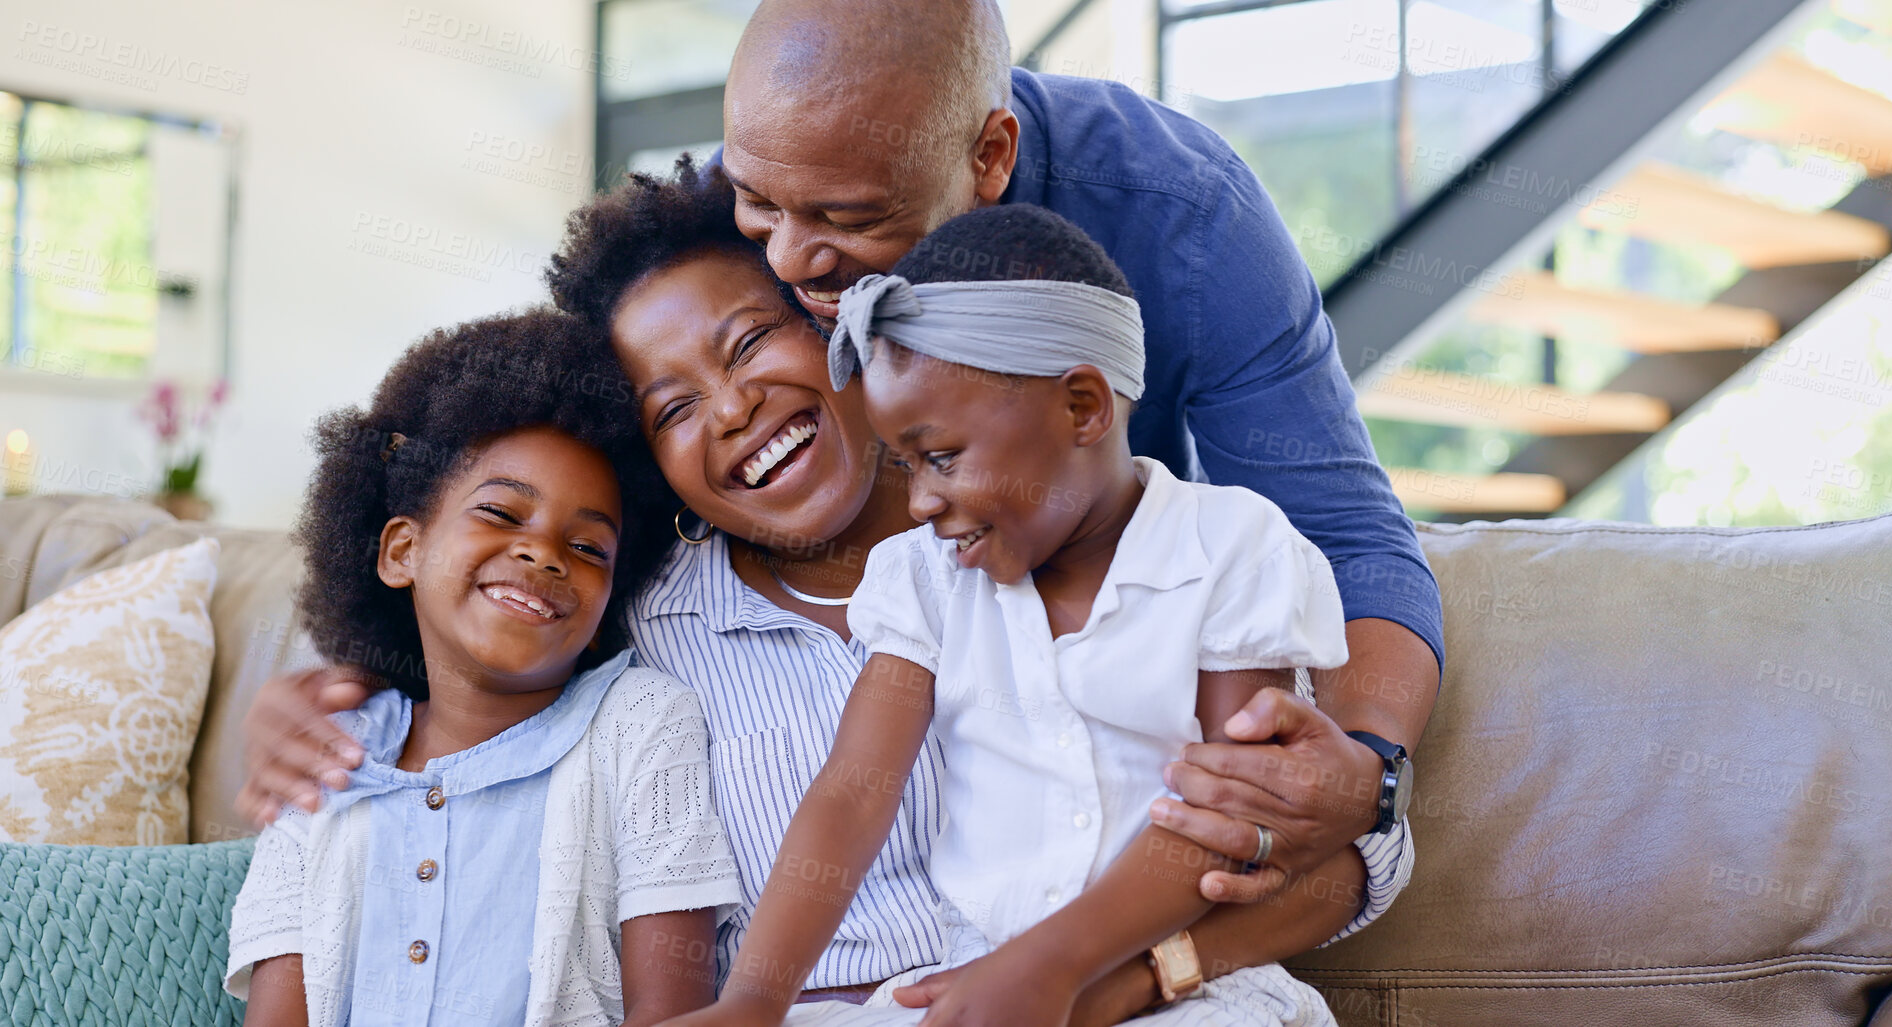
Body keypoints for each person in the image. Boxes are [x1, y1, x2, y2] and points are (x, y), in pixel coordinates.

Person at [237, 163, 1394, 1026]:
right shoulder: (641, 631)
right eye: (672, 409)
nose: (731, 409)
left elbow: (1339, 852)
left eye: (749, 344)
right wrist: (314, 695)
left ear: (844, 329)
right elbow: (472, 647)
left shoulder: (1181, 546)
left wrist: (1130, 974)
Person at [717, 0, 1441, 907]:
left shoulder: (1186, 219)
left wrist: (1366, 765)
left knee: (1346, 867)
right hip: (860, 702)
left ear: (990, 155)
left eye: (848, 216)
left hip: (1112, 732)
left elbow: (1344, 537)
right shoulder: (751, 185)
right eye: (755, 202)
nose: (788, 257)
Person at [675, 204, 1348, 1027]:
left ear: (1081, 408)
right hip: (972, 980)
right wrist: (755, 996)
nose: (918, 500)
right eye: (905, 463)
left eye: (943, 456)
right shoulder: (922, 578)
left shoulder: (1230, 545)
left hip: (1179, 985)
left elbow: (1226, 810)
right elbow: (853, 794)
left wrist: (1049, 966)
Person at [224, 310, 742, 1026]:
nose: (544, 553)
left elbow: (675, 1009)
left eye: (589, 547)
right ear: (402, 550)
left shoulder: (640, 722)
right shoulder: (325, 753)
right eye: (501, 512)